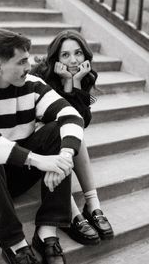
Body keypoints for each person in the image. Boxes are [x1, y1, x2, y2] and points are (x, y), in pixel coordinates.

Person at [0, 28, 85, 264]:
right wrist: (39, 160)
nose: (29, 66)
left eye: (29, 59)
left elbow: (72, 115)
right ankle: (15, 244)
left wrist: (63, 156)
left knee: (56, 132)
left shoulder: (32, 84)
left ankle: (47, 231)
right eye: (22, 61)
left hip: (11, 172)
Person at [31, 30, 114, 246]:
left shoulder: (80, 77)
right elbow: (51, 123)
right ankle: (71, 212)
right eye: (65, 55)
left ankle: (93, 204)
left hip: (58, 145)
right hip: (36, 145)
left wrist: (73, 83)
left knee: (75, 133)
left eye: (78, 53)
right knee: (62, 132)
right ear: (56, 59)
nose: (73, 60)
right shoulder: (40, 78)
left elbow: (80, 121)